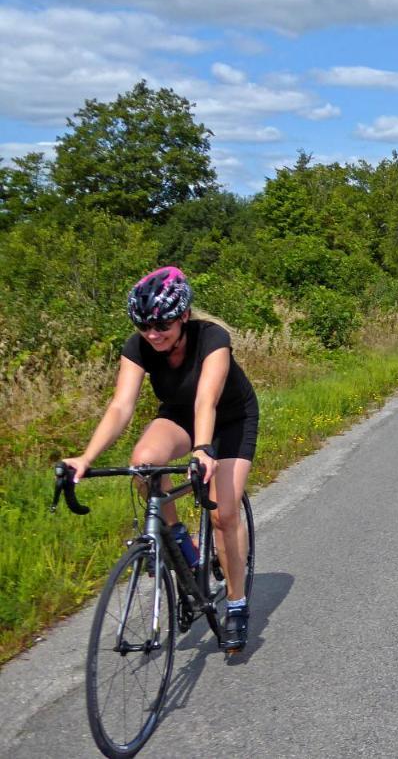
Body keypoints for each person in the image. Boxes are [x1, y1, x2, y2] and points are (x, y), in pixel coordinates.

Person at [63, 267, 258, 652]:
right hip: (181, 414)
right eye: (144, 326)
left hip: (230, 417)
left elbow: (207, 399)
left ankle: (235, 604)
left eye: (162, 324)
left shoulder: (212, 338)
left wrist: (203, 450)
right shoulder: (138, 347)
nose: (153, 334)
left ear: (184, 316)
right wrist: (85, 458)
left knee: (224, 513)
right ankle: (182, 545)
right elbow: (121, 406)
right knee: (144, 463)